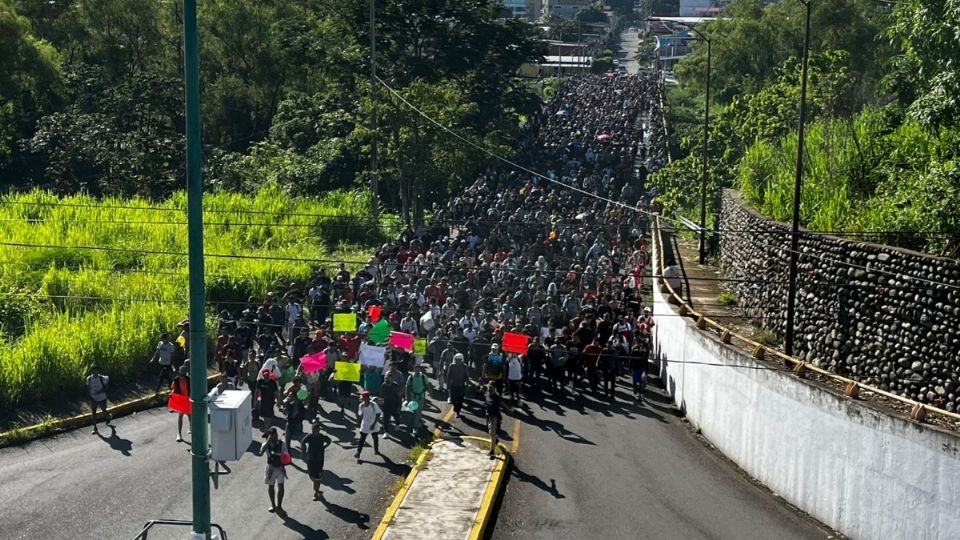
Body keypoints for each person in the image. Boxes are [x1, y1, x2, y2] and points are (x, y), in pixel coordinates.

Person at [260, 427, 288, 516]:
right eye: (273, 436)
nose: (275, 437)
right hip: (270, 468)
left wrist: (284, 465)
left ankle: (279, 506)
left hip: (279, 468)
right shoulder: (266, 444)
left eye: (276, 435)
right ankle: (273, 505)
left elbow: (286, 456)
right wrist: (268, 440)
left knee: (281, 486)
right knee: (271, 486)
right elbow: (260, 453)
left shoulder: (282, 444)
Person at [302, 421, 332, 501]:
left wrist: (324, 447)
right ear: (312, 430)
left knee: (317, 478)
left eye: (318, 430)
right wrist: (304, 452)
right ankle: (316, 487)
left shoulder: (322, 437)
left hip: (319, 460)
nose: (316, 432)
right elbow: (303, 442)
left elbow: (329, 440)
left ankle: (316, 493)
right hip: (311, 460)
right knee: (312, 476)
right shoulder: (309, 437)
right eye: (315, 430)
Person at [355, 390, 382, 460]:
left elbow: (378, 414)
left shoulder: (373, 405)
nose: (362, 399)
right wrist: (359, 422)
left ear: (367, 398)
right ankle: (358, 452)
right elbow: (360, 415)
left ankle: (376, 450)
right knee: (362, 439)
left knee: (375, 437)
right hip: (365, 424)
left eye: (363, 398)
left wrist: (373, 424)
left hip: (374, 423)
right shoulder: (361, 405)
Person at [86, 365, 111, 435]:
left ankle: (108, 416)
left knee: (104, 411)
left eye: (96, 370)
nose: (95, 372)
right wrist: (89, 396)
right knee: (93, 413)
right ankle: (95, 428)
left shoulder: (101, 378)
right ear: (91, 371)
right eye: (94, 370)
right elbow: (88, 388)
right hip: (93, 398)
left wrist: (100, 391)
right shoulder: (89, 379)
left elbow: (106, 387)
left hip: (102, 398)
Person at [405, 364, 429, 435]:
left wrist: (431, 393)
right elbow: (407, 388)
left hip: (420, 397)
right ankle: (417, 425)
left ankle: (416, 425)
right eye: (416, 369)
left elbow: (427, 385)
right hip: (412, 398)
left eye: (418, 369)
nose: (417, 370)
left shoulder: (423, 377)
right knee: (415, 412)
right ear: (413, 369)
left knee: (418, 411)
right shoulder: (411, 377)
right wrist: (407, 398)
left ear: (420, 369)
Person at [171, 364, 190, 442]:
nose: (183, 372)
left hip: (188, 399)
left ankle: (190, 426)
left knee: (190, 414)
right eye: (181, 370)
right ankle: (179, 434)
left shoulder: (188, 379)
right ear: (179, 371)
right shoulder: (176, 380)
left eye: (184, 370)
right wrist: (171, 394)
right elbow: (173, 389)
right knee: (180, 416)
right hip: (181, 400)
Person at [446, 353, 469, 418]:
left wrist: (467, 385)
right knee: (453, 399)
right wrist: (447, 386)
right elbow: (448, 376)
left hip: (461, 386)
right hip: (453, 385)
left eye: (459, 360)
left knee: (460, 400)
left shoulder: (464, 366)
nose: (457, 361)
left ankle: (457, 412)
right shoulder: (452, 366)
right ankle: (455, 408)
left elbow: (467, 376)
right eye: (456, 360)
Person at [484, 382, 502, 458]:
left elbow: (503, 404)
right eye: (489, 387)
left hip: (494, 417)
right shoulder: (487, 394)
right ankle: (496, 439)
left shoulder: (496, 398)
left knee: (492, 433)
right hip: (488, 416)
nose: (490, 389)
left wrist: (509, 409)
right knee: (489, 431)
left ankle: (492, 451)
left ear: (494, 389)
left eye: (492, 388)